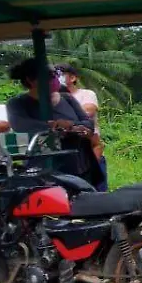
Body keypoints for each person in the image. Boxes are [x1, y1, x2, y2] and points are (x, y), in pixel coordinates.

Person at [6, 57, 104, 187]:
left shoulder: (67, 98)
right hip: (43, 169)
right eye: (50, 76)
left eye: (55, 74)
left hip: (79, 167)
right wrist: (56, 126)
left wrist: (71, 127)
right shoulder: (17, 104)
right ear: (31, 80)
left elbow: (88, 123)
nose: (55, 79)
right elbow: (22, 126)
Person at [55, 62, 107, 191]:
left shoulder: (86, 94)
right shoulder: (51, 99)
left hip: (90, 148)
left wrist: (62, 119)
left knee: (96, 193)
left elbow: (89, 111)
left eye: (60, 74)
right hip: (64, 154)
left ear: (72, 78)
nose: (56, 78)